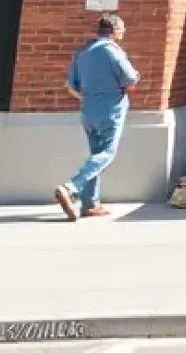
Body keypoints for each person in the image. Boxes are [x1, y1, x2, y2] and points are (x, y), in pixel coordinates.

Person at [54, 13, 139, 220]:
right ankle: (71, 186)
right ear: (113, 31)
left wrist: (86, 97)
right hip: (111, 110)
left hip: (88, 111)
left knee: (95, 155)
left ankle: (90, 204)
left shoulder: (82, 52)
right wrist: (135, 78)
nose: (124, 32)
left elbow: (69, 86)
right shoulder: (113, 52)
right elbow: (129, 81)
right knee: (107, 153)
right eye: (122, 29)